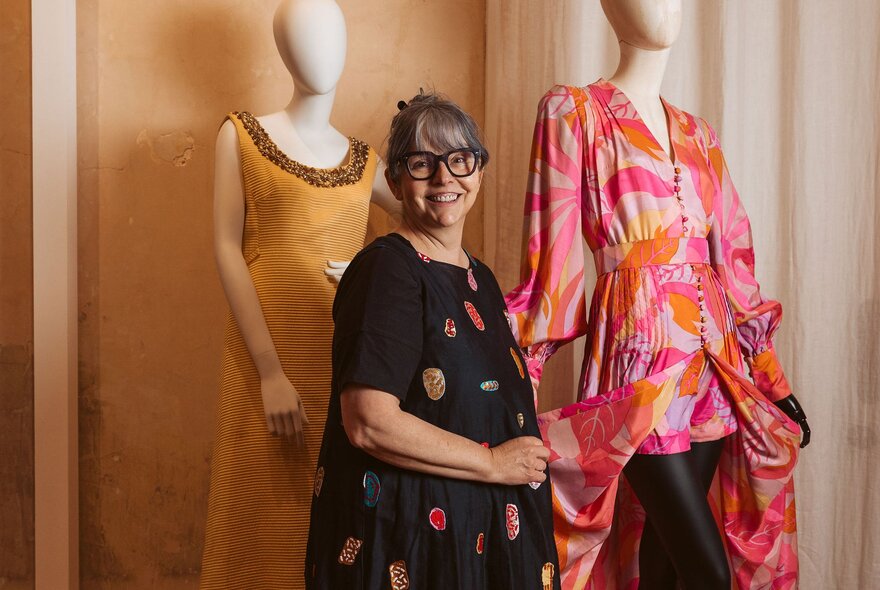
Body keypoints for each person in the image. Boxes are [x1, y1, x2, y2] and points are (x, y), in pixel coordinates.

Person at [505, 1, 810, 589]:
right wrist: (521, 376)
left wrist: (770, 377)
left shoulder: (700, 134)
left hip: (714, 373)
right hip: (637, 374)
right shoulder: (573, 111)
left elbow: (736, 265)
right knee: (707, 574)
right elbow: (552, 264)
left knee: (666, 567)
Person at [305, 93, 560, 590]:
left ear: (479, 173)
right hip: (410, 546)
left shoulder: (479, 279)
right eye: (423, 164)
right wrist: (491, 463)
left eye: (459, 160)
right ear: (396, 182)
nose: (445, 178)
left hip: (479, 542)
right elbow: (368, 423)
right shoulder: (388, 271)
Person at [201, 1, 398, 587]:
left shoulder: (365, 161)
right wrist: (267, 370)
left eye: (332, 34)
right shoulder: (243, 136)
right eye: (305, 36)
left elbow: (425, 223)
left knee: (334, 507)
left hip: (338, 357)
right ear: (283, 50)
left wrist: (370, 272)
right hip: (268, 353)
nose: (322, 50)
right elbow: (225, 249)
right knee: (258, 502)